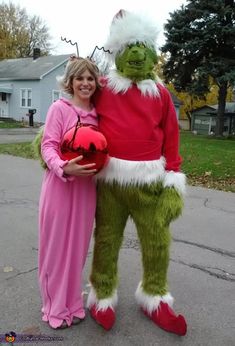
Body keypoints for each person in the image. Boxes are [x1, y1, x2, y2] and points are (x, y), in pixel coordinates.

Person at [87, 10, 187, 336]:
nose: (137, 54)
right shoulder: (102, 88)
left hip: (150, 183)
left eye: (143, 47)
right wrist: (52, 145)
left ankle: (154, 296)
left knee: (157, 239)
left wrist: (173, 180)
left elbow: (172, 137)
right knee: (106, 239)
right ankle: (102, 294)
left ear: (153, 54)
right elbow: (76, 113)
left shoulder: (159, 94)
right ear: (118, 51)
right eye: (130, 47)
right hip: (110, 182)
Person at [38, 57, 100, 329]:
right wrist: (63, 167)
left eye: (90, 78)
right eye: (80, 78)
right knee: (56, 250)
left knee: (77, 249)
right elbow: (48, 145)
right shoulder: (59, 109)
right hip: (61, 186)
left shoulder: (98, 114)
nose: (85, 83)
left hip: (87, 191)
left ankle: (72, 303)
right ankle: (53, 307)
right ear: (71, 82)